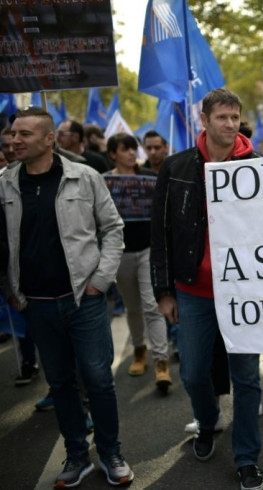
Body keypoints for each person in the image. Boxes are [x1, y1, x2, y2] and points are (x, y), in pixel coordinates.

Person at [0, 107, 133, 487]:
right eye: (13, 133)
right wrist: (11, 289)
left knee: (98, 380)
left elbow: (113, 230)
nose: (14, 140)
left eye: (25, 134)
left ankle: (110, 452)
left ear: (48, 139)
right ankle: (77, 454)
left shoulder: (85, 177)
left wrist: (99, 283)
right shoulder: (5, 184)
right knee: (59, 383)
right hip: (36, 305)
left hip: (84, 300)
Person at [150, 88, 263, 490]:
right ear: (204, 120)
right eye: (222, 118)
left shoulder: (258, 165)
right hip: (193, 292)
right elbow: (160, 233)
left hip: (244, 294)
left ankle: (247, 457)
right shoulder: (177, 166)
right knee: (195, 374)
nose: (230, 125)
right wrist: (163, 291)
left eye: (235, 117)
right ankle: (207, 421)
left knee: (248, 379)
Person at [105, 133, 172, 392]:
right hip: (120, 252)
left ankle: (161, 361)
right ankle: (139, 350)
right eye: (125, 149)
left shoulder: (151, 178)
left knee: (151, 305)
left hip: (148, 250)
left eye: (134, 149)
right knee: (133, 307)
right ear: (113, 154)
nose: (132, 154)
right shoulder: (104, 181)